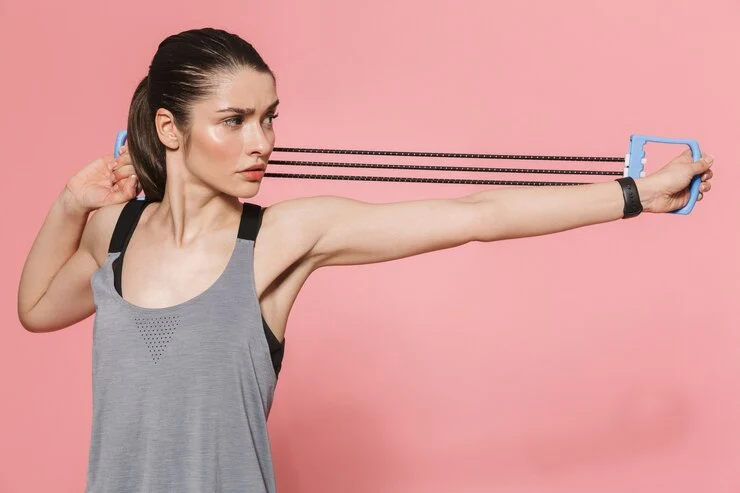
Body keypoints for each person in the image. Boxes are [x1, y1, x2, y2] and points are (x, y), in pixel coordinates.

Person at [16, 28, 714, 493]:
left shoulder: (281, 240)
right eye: (235, 120)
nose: (263, 140)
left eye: (270, 116)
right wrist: (70, 202)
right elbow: (38, 308)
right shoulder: (114, 231)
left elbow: (475, 217)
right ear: (170, 128)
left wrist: (634, 194)